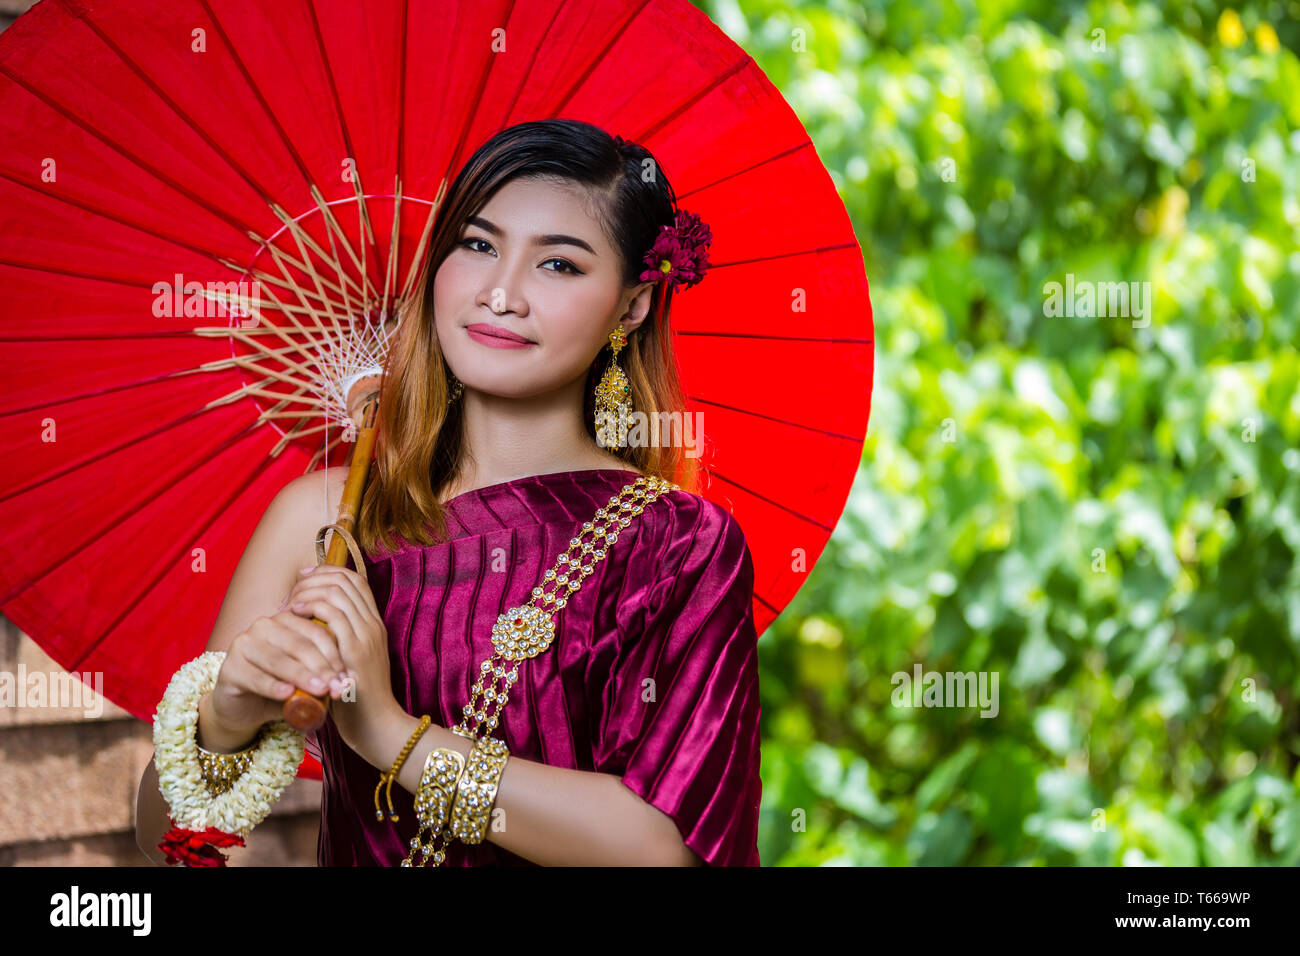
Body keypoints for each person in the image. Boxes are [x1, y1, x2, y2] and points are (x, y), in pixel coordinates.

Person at [135, 118, 761, 866]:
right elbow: (176, 852)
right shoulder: (327, 517)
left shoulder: (678, 543)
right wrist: (225, 719)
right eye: (478, 244)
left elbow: (664, 849)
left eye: (558, 265)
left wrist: (390, 735)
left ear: (630, 307)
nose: (500, 293)